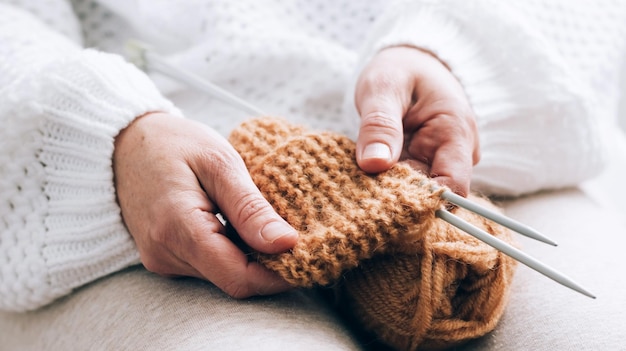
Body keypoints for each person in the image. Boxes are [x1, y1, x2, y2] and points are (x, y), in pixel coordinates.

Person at [1, 0, 625, 349]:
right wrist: (108, 133)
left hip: (474, 145)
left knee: (588, 338)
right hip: (141, 203)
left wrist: (446, 53)